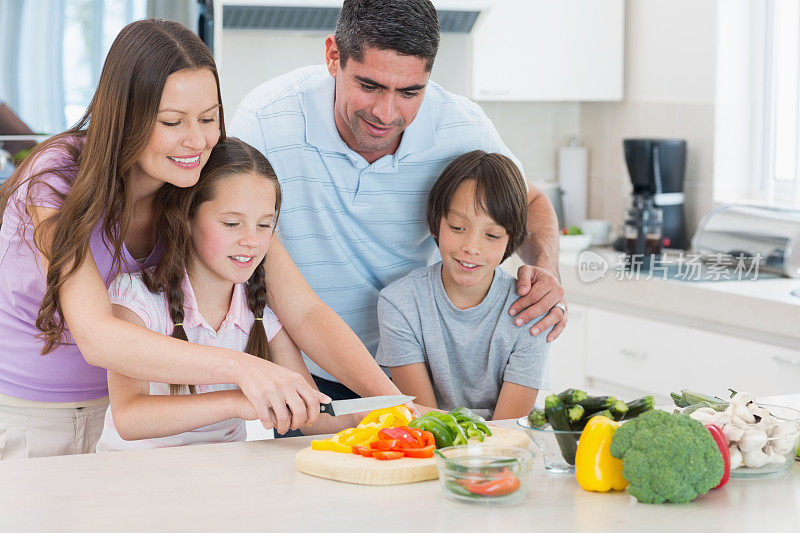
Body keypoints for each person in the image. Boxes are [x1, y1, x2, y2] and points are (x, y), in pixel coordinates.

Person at [0, 19, 399, 460]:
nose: (198, 139)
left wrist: (399, 404)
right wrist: (244, 370)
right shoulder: (55, 177)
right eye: (173, 121)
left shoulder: (197, 175)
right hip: (22, 416)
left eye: (209, 118)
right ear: (126, 116)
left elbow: (302, 310)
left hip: (117, 418)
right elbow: (97, 336)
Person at [230, 0, 566, 401]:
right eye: (369, 86)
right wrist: (308, 390)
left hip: (413, 371)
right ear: (333, 56)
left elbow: (528, 202)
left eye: (409, 92)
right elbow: (263, 267)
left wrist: (546, 267)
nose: (386, 114)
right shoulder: (267, 121)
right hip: (306, 368)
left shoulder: (461, 125)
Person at [97, 139, 359, 451]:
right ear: (187, 217)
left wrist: (392, 415)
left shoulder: (261, 309)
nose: (252, 240)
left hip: (222, 477)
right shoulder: (136, 298)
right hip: (138, 477)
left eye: (265, 225)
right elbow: (130, 418)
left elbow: (316, 417)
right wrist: (237, 400)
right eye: (232, 223)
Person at [375, 151, 550, 420]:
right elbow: (426, 421)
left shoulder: (530, 310)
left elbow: (508, 429)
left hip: (506, 451)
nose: (471, 248)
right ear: (436, 224)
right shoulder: (399, 304)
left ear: (510, 240)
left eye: (491, 235)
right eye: (457, 227)